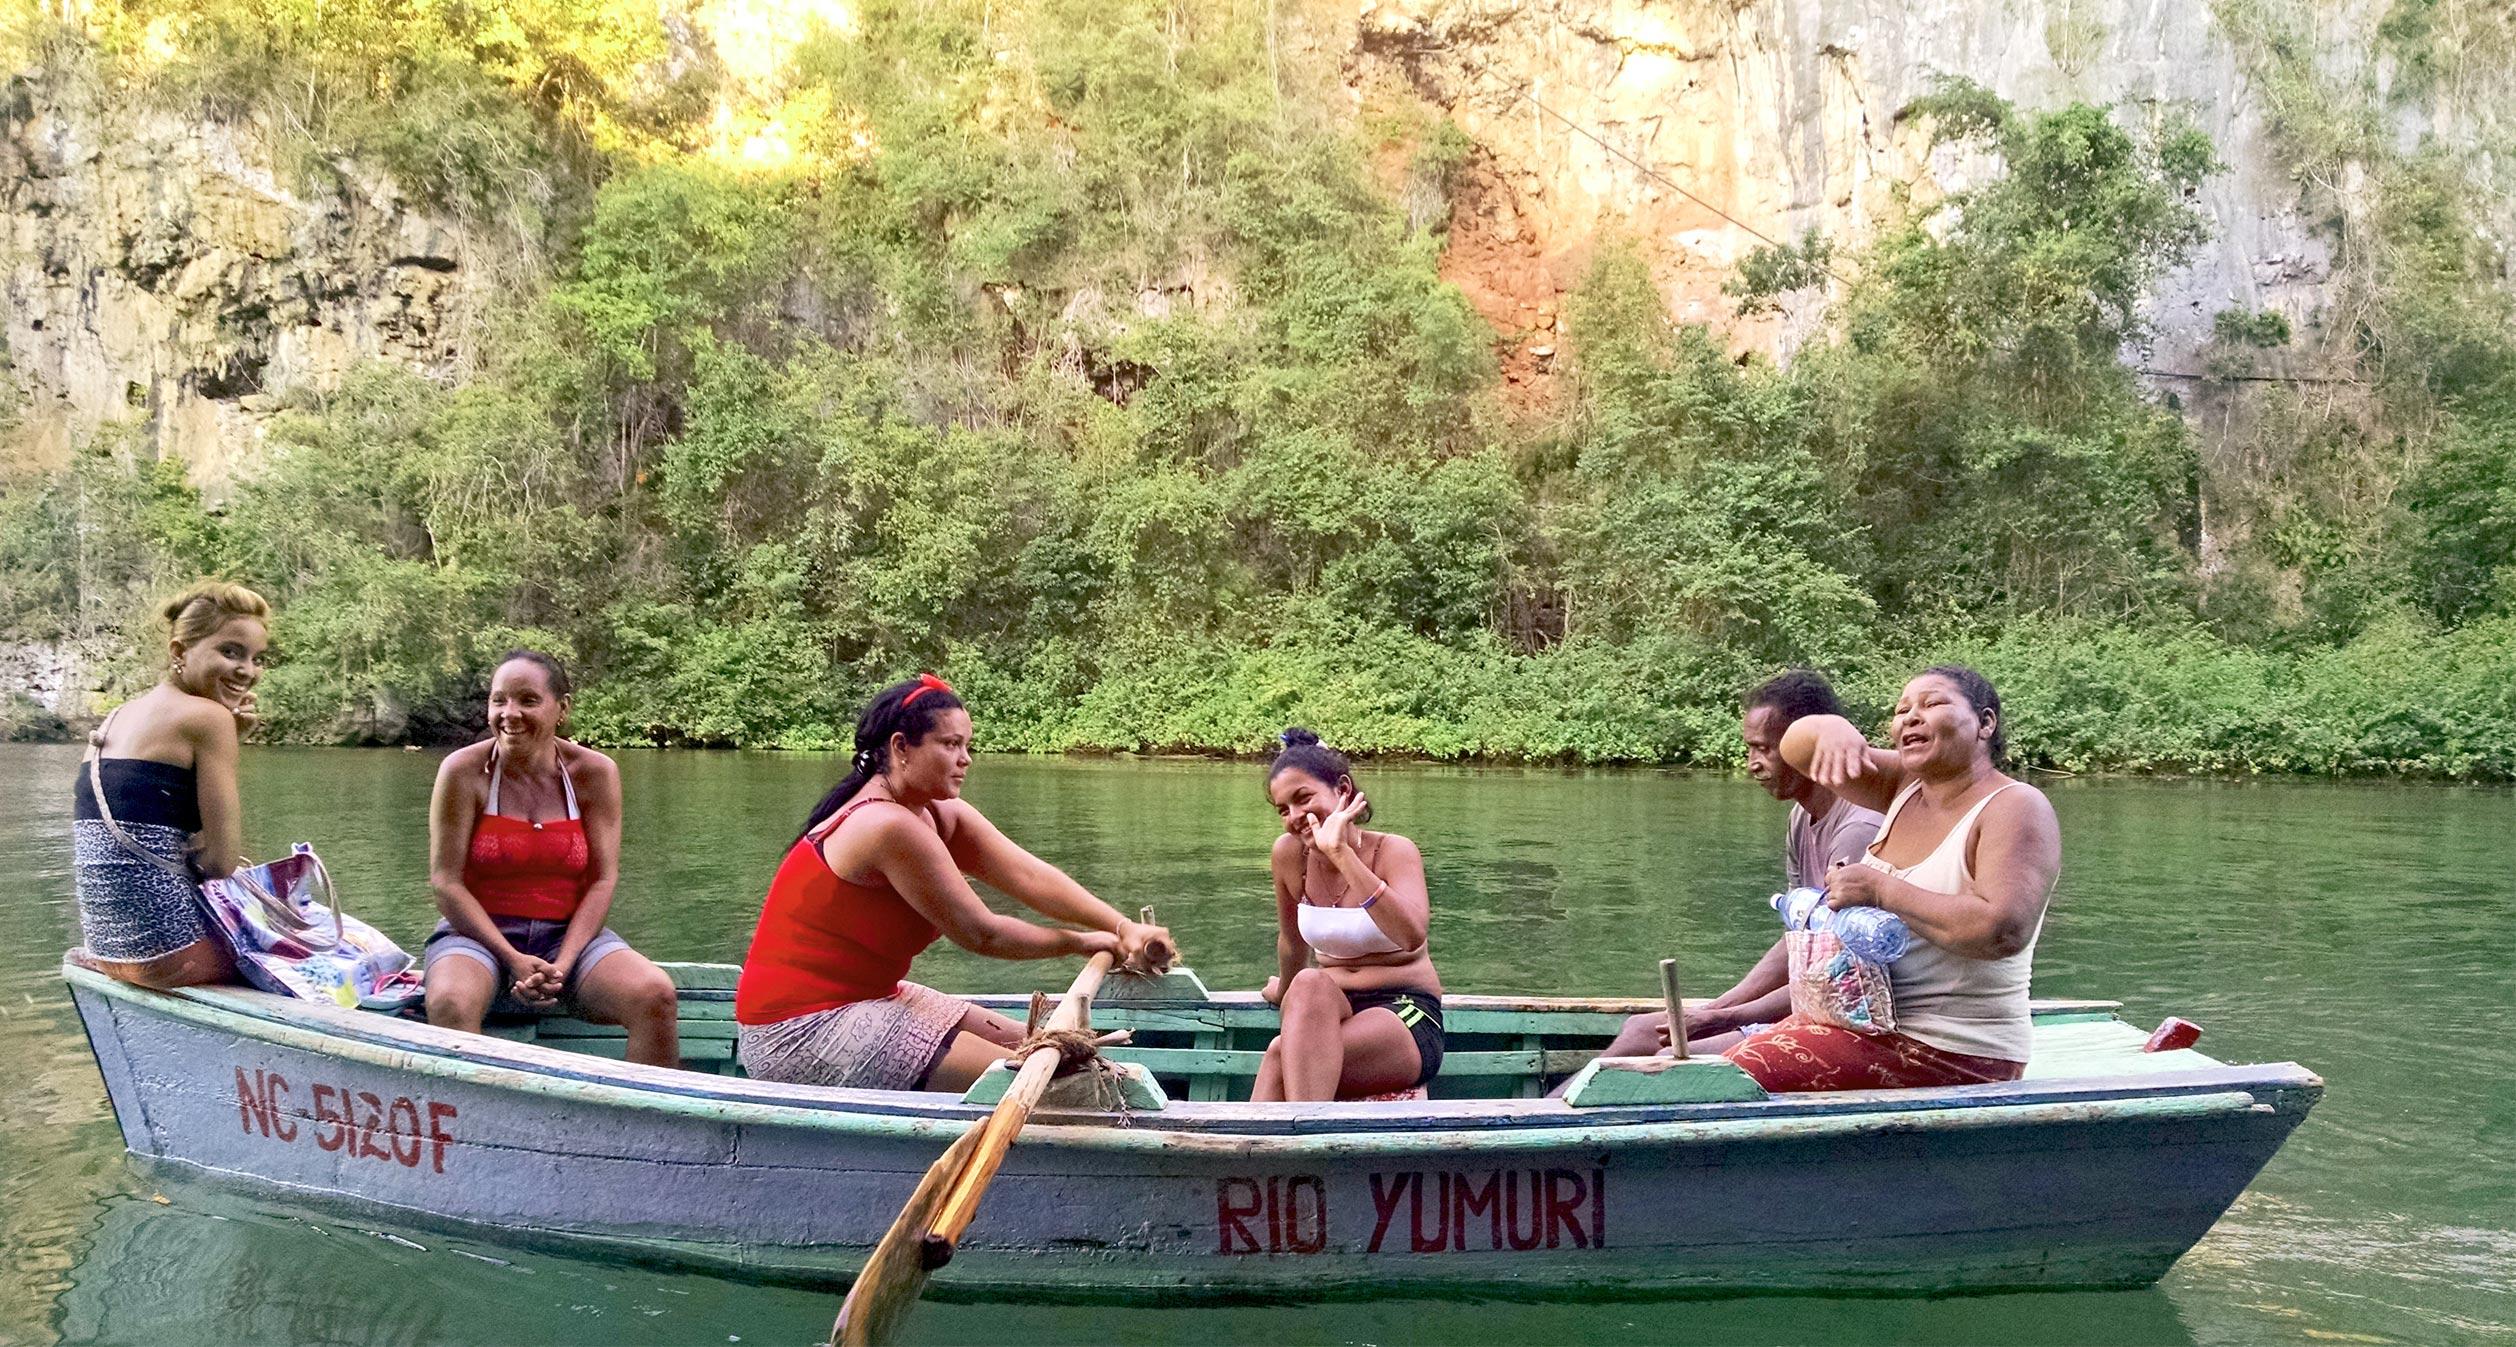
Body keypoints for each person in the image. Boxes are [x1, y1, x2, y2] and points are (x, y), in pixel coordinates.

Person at [735, 674, 1176, 1092]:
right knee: (1059, 1083)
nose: (966, 759)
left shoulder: (934, 811)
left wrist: (1123, 928)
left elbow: (1029, 877)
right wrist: (1082, 942)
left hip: (873, 999)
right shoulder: (886, 825)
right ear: (901, 748)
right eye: (950, 745)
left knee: (1064, 1057)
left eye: (967, 745)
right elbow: (980, 933)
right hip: (798, 1030)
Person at [1718, 665, 2062, 1091]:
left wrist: (1880, 890)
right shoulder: (1903, 786)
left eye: (1932, 704)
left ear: (1985, 723)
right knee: (1710, 1069)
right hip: (1867, 1027)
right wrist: (1829, 727)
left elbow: (2000, 931)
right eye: (1902, 710)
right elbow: (1797, 750)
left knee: (1726, 1079)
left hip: (1953, 1048)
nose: (1911, 717)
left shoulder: (2016, 806)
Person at [1593, 670, 1886, 1060]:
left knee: (1673, 1063)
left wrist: (1726, 1018)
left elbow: (1836, 972)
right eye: (1750, 749)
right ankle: (1548, 1113)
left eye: (1764, 749)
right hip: (1811, 1000)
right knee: (1640, 1029)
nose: (1753, 764)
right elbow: (1800, 943)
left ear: (1805, 745)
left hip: (1845, 1017)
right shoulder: (1802, 817)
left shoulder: (1859, 826)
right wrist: (1715, 1009)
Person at [424, 651, 681, 1068]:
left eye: (528, 700)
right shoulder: (463, 771)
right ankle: (474, 1128)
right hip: (477, 936)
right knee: (450, 1003)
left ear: (561, 708)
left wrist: (562, 965)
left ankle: (653, 1128)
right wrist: (512, 958)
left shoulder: (593, 773)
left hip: (568, 936)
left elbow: (603, 879)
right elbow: (446, 883)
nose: (510, 714)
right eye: (499, 700)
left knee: (655, 995)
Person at [70, 582, 270, 989]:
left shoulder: (116, 718)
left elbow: (151, 809)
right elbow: (220, 863)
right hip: (174, 955)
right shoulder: (207, 720)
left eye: (256, 658)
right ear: (179, 652)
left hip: (109, 951)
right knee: (325, 946)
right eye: (230, 651)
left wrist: (235, 738)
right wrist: (227, 734)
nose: (247, 670)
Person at [1253, 729, 1444, 1102]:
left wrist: (1341, 853)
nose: (1294, 816)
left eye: (1303, 798)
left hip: (1405, 1011)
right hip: (1331, 1009)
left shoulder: (1394, 851)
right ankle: (1302, 1144)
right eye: (1283, 809)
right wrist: (1286, 995)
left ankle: (1279, 1149)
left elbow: (1412, 935)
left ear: (1342, 790)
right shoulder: (1288, 856)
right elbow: (1292, 942)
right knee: (1308, 983)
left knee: (1280, 1055)